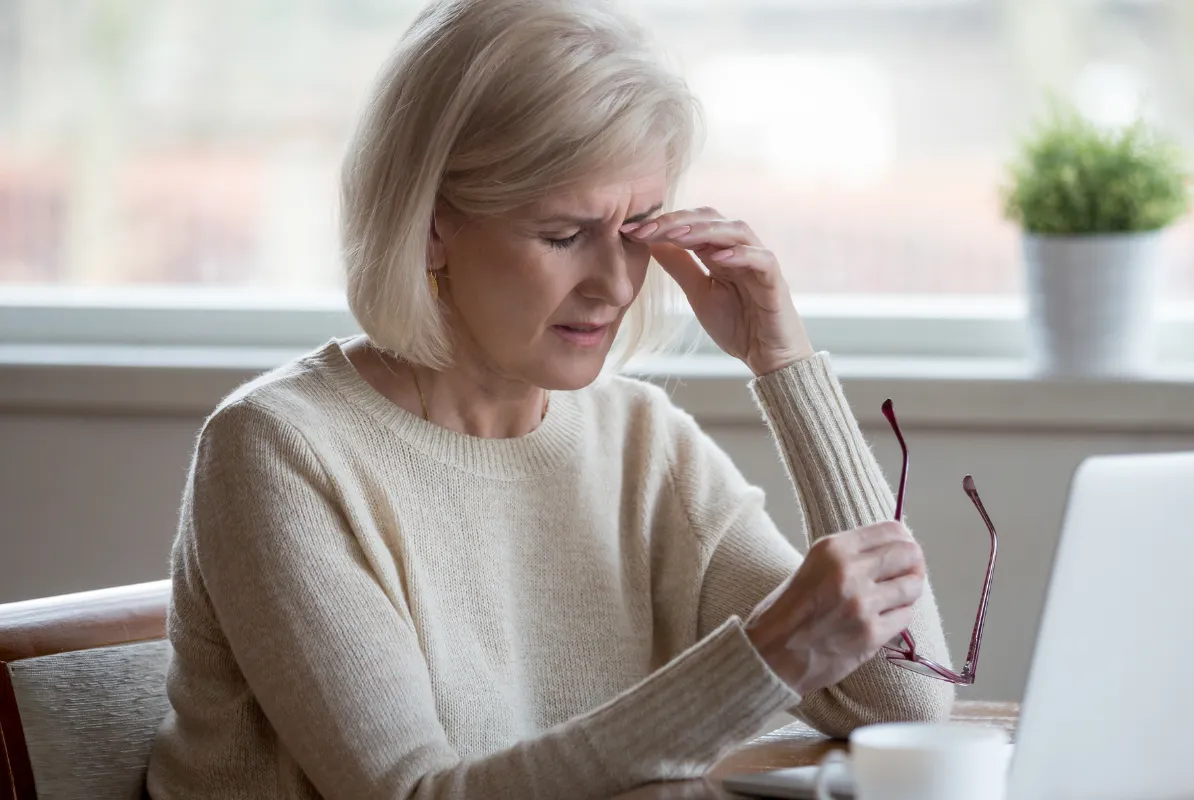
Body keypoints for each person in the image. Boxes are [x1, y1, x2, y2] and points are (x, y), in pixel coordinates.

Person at [144, 0, 953, 797]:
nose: (614, 284)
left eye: (638, 229)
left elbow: (902, 699)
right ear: (429, 225)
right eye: (564, 235)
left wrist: (786, 363)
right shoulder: (276, 450)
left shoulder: (640, 441)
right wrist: (765, 660)